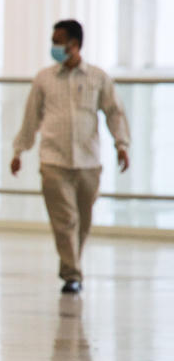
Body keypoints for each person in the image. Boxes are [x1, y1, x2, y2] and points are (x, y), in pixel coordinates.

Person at [11, 19, 130, 294]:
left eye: (58, 41)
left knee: (82, 221)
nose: (54, 46)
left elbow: (114, 112)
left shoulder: (98, 78)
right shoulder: (44, 78)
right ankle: (72, 274)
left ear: (75, 44)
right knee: (65, 220)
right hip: (53, 160)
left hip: (89, 162)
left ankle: (73, 265)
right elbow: (32, 117)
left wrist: (121, 145)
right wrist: (20, 149)